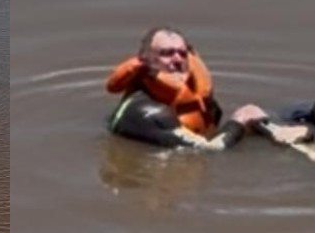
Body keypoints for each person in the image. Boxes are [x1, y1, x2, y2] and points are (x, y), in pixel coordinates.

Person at [105, 26, 264, 150]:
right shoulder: (145, 111)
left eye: (182, 53)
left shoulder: (199, 97)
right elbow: (209, 150)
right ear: (145, 61)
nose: (177, 59)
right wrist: (238, 122)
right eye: (166, 53)